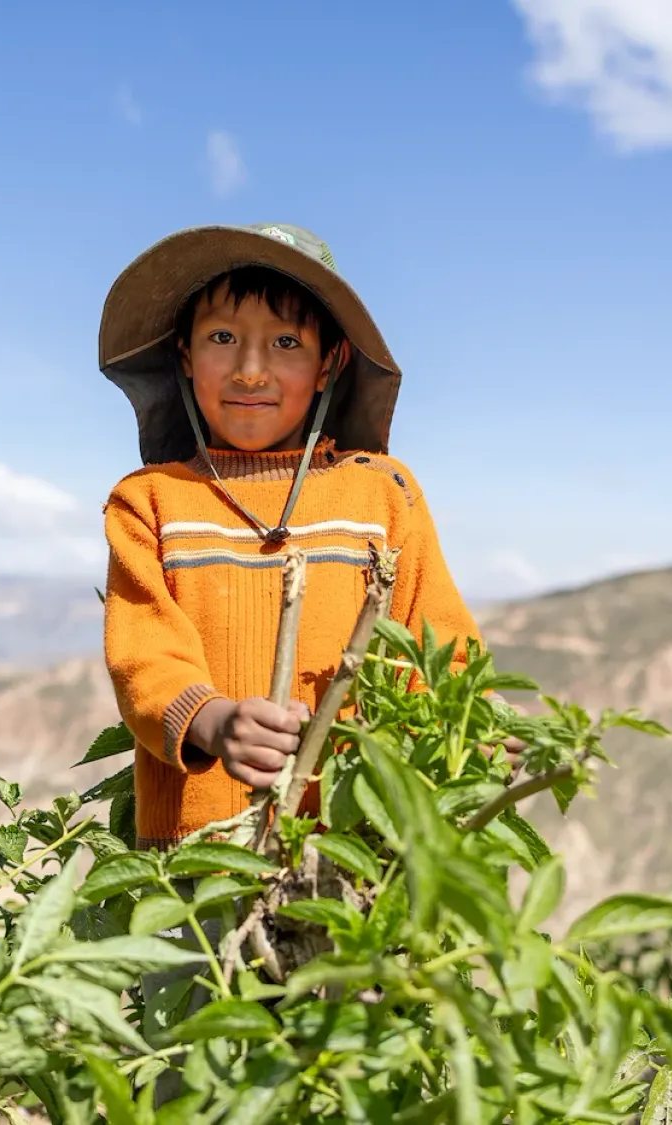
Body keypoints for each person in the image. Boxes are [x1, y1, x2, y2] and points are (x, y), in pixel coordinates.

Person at [97, 222, 483, 854]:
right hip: (194, 856)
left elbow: (439, 646)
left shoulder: (383, 496)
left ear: (329, 363)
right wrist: (214, 723)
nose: (252, 371)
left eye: (285, 342)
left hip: (347, 853)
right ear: (185, 356)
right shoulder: (150, 501)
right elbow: (143, 656)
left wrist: (478, 721)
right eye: (223, 338)